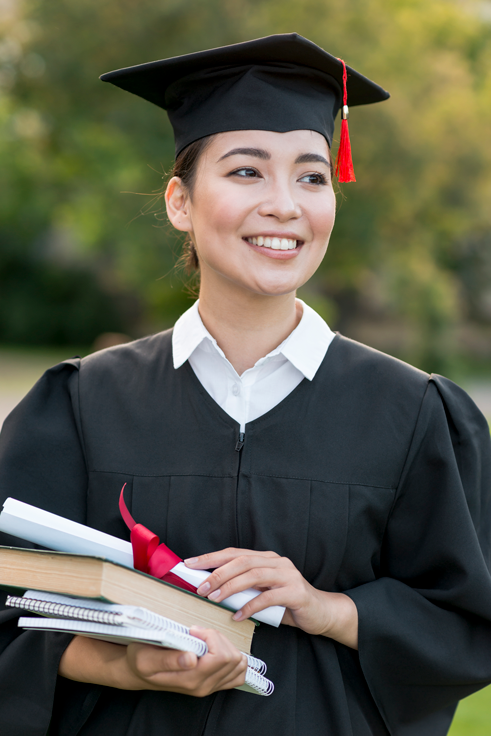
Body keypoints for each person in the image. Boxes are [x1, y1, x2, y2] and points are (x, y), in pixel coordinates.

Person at [1, 32, 491, 736]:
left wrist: (325, 607)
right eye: (246, 172)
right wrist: (125, 665)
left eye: (312, 176)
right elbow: (12, 616)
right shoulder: (81, 405)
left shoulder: (412, 413)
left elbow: (464, 623)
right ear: (179, 201)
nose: (286, 205)